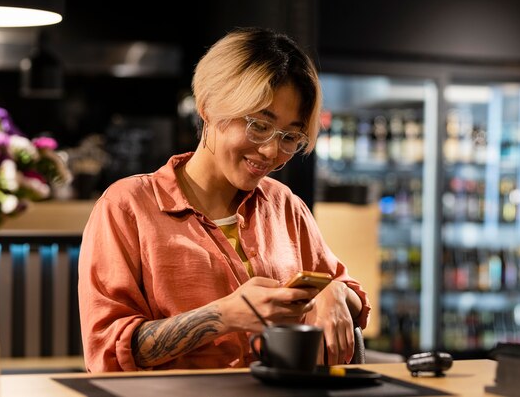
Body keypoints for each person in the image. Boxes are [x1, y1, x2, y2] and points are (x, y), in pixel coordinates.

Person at [78, 26, 371, 372]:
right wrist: (223, 315)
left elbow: (347, 291)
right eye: (259, 126)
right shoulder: (128, 207)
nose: (271, 151)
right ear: (207, 108)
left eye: (290, 136)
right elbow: (108, 351)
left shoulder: (284, 206)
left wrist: (335, 293)